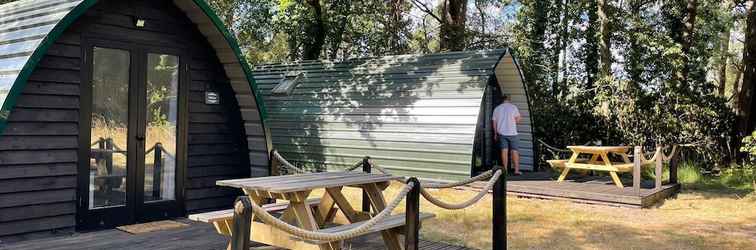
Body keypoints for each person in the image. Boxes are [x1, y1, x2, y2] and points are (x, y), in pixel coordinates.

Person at [492, 94, 522, 175]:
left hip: (502, 133)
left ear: (502, 99)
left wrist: (495, 134)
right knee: (514, 151)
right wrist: (512, 121)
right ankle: (516, 170)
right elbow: (518, 119)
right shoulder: (513, 107)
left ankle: (505, 170)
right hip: (513, 133)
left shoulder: (497, 109)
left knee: (504, 151)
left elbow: (494, 122)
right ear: (509, 99)